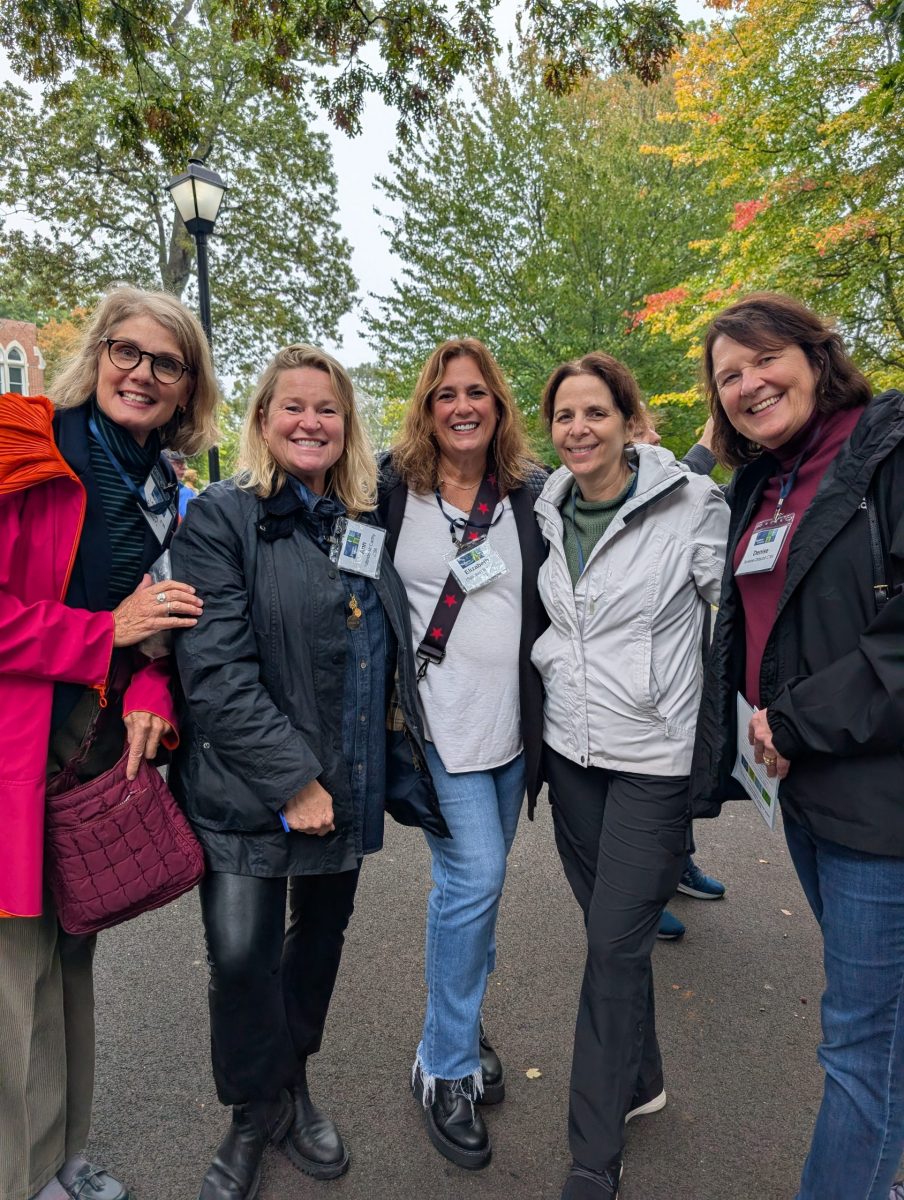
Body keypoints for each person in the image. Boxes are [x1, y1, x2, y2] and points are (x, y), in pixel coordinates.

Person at [170, 345, 444, 1199]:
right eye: (293, 407)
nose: (311, 422)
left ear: (347, 425)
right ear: (261, 420)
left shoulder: (358, 519)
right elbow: (214, 669)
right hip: (249, 793)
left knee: (316, 948)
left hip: (346, 783)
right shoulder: (221, 518)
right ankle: (253, 1114)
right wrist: (293, 779)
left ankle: (292, 1089)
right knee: (244, 959)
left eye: (327, 409)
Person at [0, 285, 217, 1200]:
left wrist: (155, 688)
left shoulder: (170, 488)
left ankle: (61, 1153)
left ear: (185, 390)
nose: (142, 373)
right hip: (16, 746)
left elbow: (156, 629)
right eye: (128, 351)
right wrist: (102, 636)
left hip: (93, 752)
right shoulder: (24, 442)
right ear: (98, 352)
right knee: (15, 981)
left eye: (166, 364)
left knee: (73, 956)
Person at [689, 293, 904, 1200]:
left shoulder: (888, 454)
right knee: (881, 1023)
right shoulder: (764, 483)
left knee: (859, 1037)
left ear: (818, 355)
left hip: (882, 802)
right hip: (808, 791)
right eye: (728, 376)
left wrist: (798, 717)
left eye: (763, 360)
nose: (748, 384)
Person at [531, 351, 729, 1199]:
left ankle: (592, 1156)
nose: (579, 429)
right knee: (610, 940)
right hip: (571, 760)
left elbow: (752, 612)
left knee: (613, 950)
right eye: (565, 416)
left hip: (652, 761)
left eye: (595, 413)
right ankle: (640, 1081)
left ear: (628, 420)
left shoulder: (693, 504)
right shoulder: (543, 509)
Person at [378, 337, 548, 1169]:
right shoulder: (386, 490)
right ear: (426, 408)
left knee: (471, 895)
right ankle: (440, 1067)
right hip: (435, 731)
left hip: (511, 734)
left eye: (476, 392)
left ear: (499, 405)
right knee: (475, 881)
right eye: (445, 395)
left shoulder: (529, 495)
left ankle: (459, 1019)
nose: (462, 406)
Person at [632, 411, 727, 940]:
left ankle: (675, 866)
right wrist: (711, 435)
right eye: (646, 430)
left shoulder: (683, 489)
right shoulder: (632, 490)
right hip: (632, 699)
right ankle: (645, 891)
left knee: (682, 778)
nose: (655, 438)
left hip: (680, 681)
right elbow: (686, 471)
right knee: (643, 802)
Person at [164, 448, 198, 518]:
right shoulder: (185, 492)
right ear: (164, 462)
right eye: (178, 463)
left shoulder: (186, 492)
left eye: (184, 463)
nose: (185, 467)